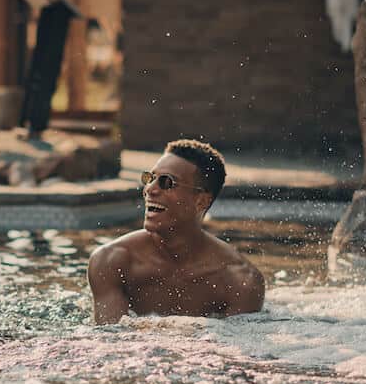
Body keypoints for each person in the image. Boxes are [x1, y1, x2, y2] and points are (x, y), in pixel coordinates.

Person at [88, 139, 264, 324]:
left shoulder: (240, 281)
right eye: (150, 178)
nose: (150, 189)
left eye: (166, 182)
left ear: (201, 201)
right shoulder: (113, 261)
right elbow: (110, 341)